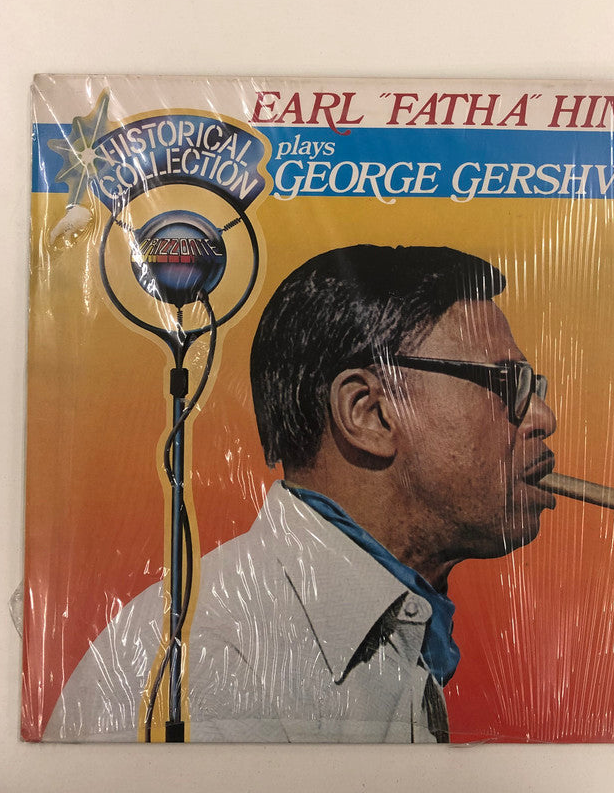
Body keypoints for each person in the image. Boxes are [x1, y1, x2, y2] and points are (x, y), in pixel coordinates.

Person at [44, 245, 556, 743]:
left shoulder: (391, 628)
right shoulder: (212, 665)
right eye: (508, 383)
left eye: (534, 387)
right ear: (369, 413)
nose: (542, 417)